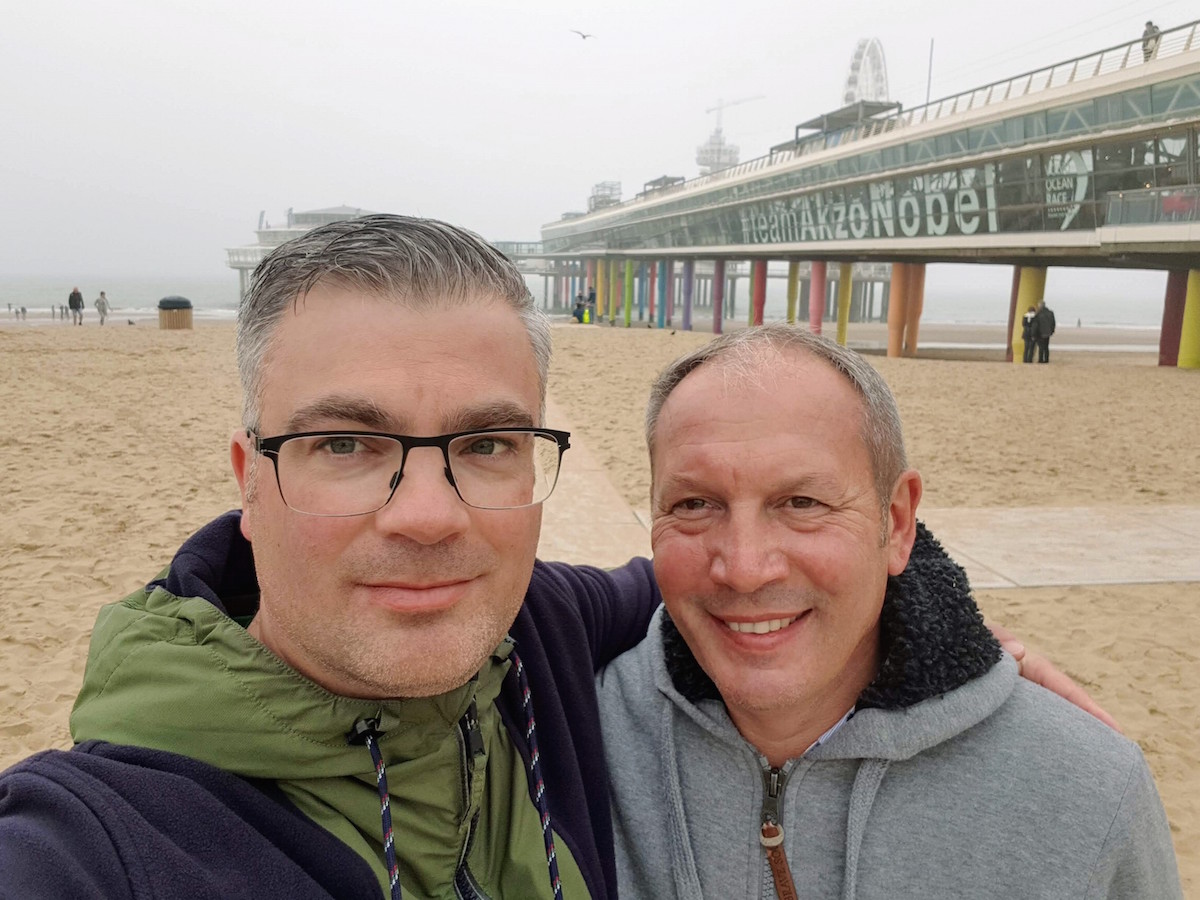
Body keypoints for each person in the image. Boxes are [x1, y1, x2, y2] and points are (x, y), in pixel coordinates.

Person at [0, 217, 1107, 899]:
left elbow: (735, 570)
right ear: (249, 477)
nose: (429, 516)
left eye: (484, 445)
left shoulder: (543, 632)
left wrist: (953, 644)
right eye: (346, 443)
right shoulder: (97, 842)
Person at [597, 324, 1181, 898]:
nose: (746, 568)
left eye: (802, 503)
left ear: (897, 524)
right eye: (694, 504)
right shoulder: (569, 733)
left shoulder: (1090, 792)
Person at [1035, 299, 1056, 363]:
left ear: (1040, 306)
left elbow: (1036, 324)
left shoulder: (1038, 313)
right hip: (1047, 332)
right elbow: (1053, 323)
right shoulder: (1050, 312)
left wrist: (1034, 333)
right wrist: (1052, 331)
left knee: (1041, 347)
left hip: (1040, 332)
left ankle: (1040, 359)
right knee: (1046, 347)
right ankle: (1046, 359)